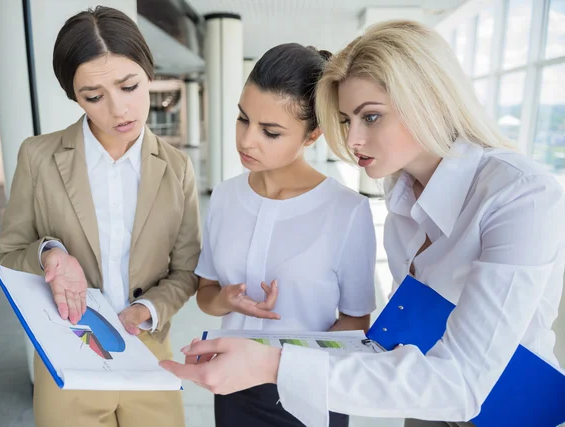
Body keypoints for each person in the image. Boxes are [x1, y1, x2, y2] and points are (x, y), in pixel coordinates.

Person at [160, 19, 565, 427]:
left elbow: (460, 383)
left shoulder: (520, 196)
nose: (352, 141)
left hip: (506, 410)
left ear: (429, 101)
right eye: (346, 120)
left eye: (370, 117)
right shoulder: (401, 191)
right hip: (419, 401)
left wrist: (275, 365)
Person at [0, 6, 200, 427]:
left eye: (129, 86)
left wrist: (148, 309)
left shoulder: (176, 167)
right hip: (67, 353)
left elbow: (187, 270)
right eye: (93, 96)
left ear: (148, 71)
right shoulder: (39, 157)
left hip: (149, 350)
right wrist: (49, 254)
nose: (119, 109)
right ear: (73, 94)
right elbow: (8, 255)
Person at [194, 43, 377, 427]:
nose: (247, 140)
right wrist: (227, 299)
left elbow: (356, 321)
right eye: (243, 119)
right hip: (233, 385)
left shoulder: (346, 211)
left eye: (270, 132)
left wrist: (286, 361)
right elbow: (206, 297)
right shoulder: (225, 197)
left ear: (312, 135)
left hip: (310, 389)